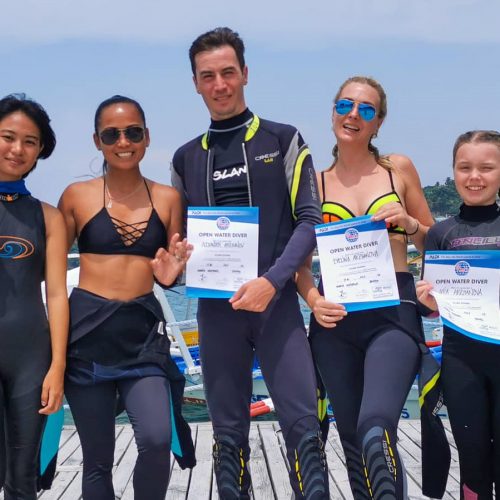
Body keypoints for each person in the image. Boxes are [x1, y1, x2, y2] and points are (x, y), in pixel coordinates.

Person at [171, 27, 329, 499]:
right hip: (217, 314)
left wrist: (271, 282)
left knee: (304, 430)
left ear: (244, 73)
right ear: (195, 83)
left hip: (276, 308)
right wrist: (173, 265)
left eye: (228, 72)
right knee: (228, 437)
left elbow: (310, 220)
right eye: (208, 76)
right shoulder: (184, 158)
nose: (219, 84)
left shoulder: (283, 139)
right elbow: (179, 244)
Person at [296, 76, 435, 499]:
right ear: (333, 113)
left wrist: (410, 224)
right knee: (354, 444)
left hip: (393, 316)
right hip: (335, 322)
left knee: (376, 431)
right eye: (345, 105)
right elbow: (298, 262)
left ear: (378, 122)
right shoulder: (313, 183)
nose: (353, 114)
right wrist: (313, 299)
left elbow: (436, 243)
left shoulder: (399, 170)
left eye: (366, 109)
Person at [58, 95, 195, 500]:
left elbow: (172, 267)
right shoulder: (76, 196)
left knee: (156, 439)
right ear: (97, 141)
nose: (123, 142)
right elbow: (49, 272)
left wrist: (172, 277)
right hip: (86, 337)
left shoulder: (168, 199)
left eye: (133, 132)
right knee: (98, 459)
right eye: (111, 134)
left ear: (147, 137)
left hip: (142, 338)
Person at [417, 130, 500, 499]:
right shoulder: (440, 233)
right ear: (453, 171)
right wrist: (426, 300)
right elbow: (427, 307)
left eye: (487, 168)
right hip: (461, 361)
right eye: (465, 167)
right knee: (473, 458)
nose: (474, 177)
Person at [0, 94, 68, 498]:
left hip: (31, 359)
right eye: (7, 137)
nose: (17, 149)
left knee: (23, 478)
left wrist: (57, 366)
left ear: (40, 150)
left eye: (30, 141)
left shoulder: (48, 216)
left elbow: (56, 294)